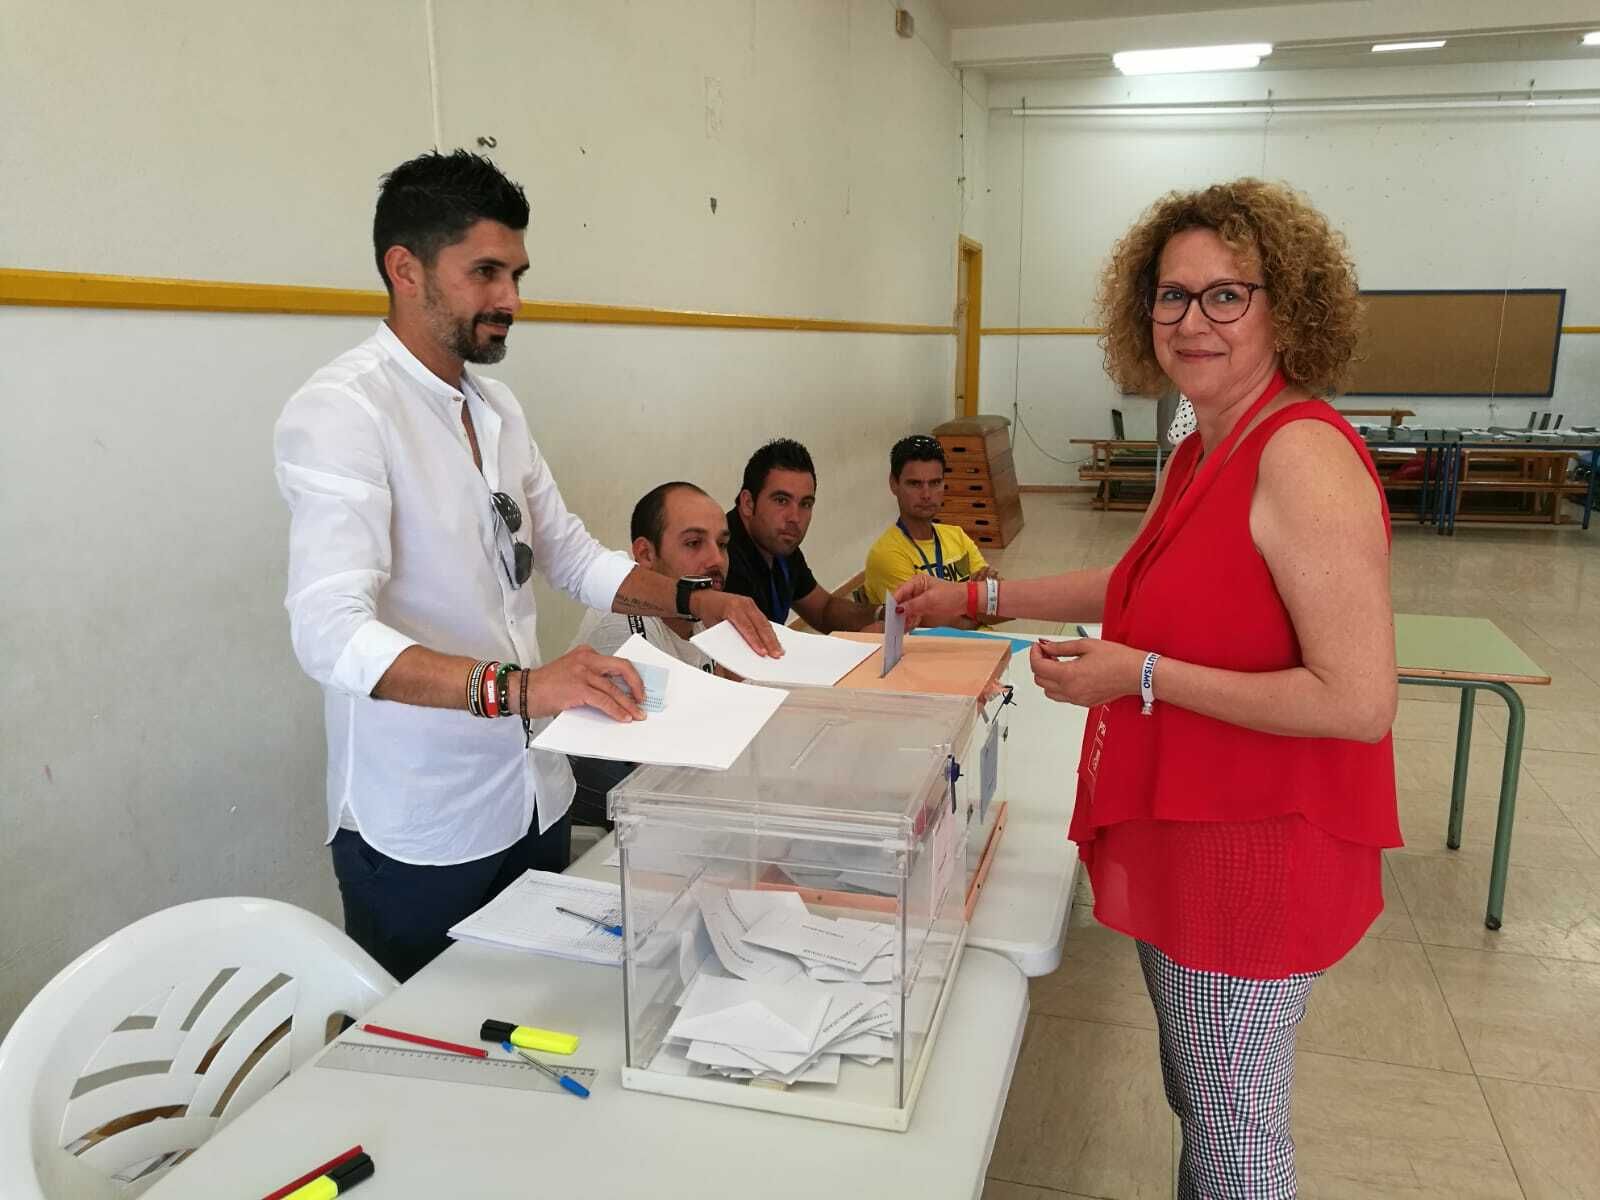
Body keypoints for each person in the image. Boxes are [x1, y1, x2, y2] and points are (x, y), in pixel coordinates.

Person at [896, 178, 1399, 1198]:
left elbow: (1357, 701)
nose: (1191, 321)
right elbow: (1133, 581)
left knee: (1237, 1133)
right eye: (1171, 296)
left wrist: (1146, 675)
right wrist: (980, 595)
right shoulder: (1197, 443)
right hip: (1190, 828)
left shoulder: (1298, 455)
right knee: (1201, 1103)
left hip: (1253, 852)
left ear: (1287, 306)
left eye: (1227, 295)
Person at [274, 150, 777, 982]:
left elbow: (572, 554)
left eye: (516, 272)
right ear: (405, 270)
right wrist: (522, 689)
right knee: (434, 1054)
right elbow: (328, 634)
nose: (510, 298)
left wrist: (699, 598)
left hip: (530, 793)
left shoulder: (496, 408)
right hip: (422, 827)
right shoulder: (343, 413)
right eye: (485, 272)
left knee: (535, 1017)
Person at [566, 481, 725, 827]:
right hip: (602, 827)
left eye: (722, 544)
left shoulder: (699, 617)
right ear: (645, 555)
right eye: (694, 543)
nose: (716, 560)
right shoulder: (623, 627)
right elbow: (657, 781)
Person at [723, 438, 881, 631]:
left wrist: (884, 614)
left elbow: (823, 609)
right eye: (781, 500)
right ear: (748, 503)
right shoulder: (723, 559)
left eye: (805, 504)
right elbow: (759, 656)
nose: (795, 517)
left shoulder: (778, 543)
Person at [862, 434, 999, 623]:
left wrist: (987, 604)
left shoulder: (957, 535)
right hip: (933, 648)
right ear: (894, 484)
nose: (926, 494)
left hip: (985, 643)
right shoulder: (886, 554)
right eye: (915, 484)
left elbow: (1002, 606)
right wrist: (980, 605)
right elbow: (929, 622)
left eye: (935, 483)